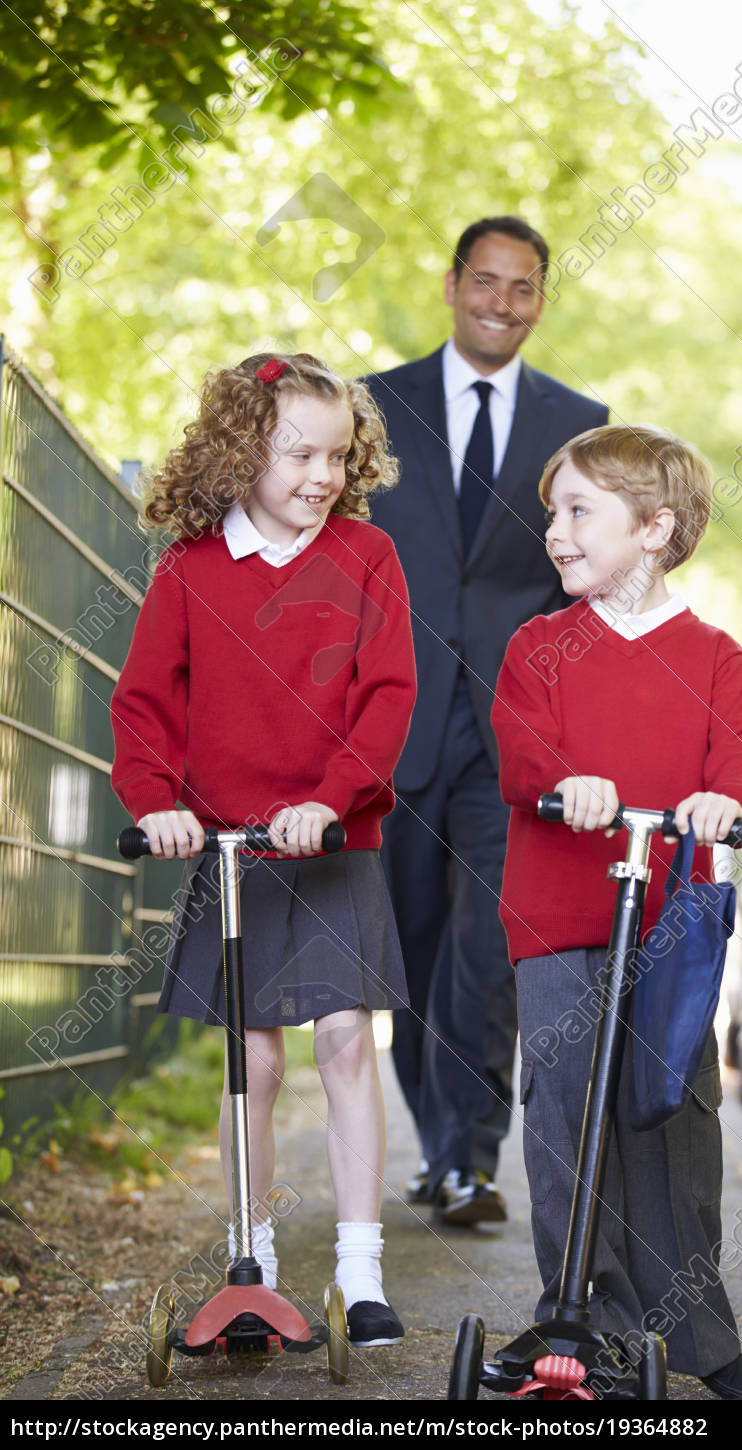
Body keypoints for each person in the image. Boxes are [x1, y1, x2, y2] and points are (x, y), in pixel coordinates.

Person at [110, 353, 417, 1348]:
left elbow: (385, 695)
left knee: (341, 1044)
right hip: (235, 852)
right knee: (252, 1061)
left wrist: (331, 799)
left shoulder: (368, 557)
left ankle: (362, 1272)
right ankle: (255, 1263)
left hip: (330, 843)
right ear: (243, 451)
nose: (322, 476)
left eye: (338, 455)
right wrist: (157, 802)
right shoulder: (192, 568)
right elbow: (147, 702)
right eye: (299, 454)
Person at [491, 424, 742, 1399]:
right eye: (551, 512)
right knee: (565, 1112)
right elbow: (524, 747)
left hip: (671, 929)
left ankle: (697, 1338)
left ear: (654, 528)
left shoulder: (713, 657)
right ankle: (582, 1325)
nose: (555, 531)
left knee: (673, 1117)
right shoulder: (540, 647)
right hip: (558, 918)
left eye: (579, 511)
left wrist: (724, 801)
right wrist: (565, 781)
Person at [366, 216, 609, 1224]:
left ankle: (473, 1157)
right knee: (412, 943)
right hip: (396, 715)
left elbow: (580, 574)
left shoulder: (579, 417)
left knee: (486, 943)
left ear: (541, 299)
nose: (502, 304)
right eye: (486, 282)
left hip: (512, 725)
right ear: (453, 282)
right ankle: (436, 1141)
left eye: (523, 288)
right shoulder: (376, 403)